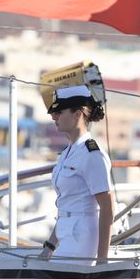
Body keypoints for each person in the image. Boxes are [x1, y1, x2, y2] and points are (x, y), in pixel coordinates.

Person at [38, 85, 114, 264]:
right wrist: (50, 246)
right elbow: (68, 205)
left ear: (77, 114)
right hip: (65, 235)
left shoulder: (92, 155)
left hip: (81, 241)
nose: (54, 117)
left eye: (60, 112)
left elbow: (107, 208)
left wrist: (102, 261)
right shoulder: (68, 152)